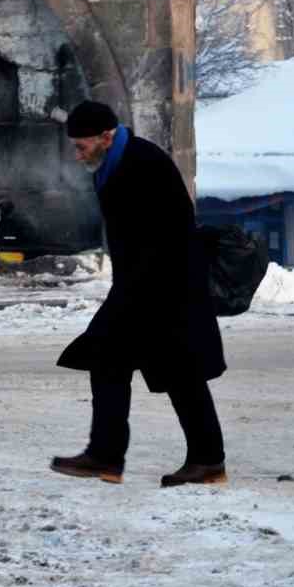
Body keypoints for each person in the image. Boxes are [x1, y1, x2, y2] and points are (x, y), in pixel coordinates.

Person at [50, 100, 228, 487]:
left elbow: (169, 232)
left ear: (106, 137)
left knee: (179, 373)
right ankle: (108, 456)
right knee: (114, 363)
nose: (78, 155)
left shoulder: (143, 163)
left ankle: (204, 462)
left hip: (167, 288)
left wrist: (139, 290)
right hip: (143, 286)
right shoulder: (115, 163)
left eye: (82, 146)